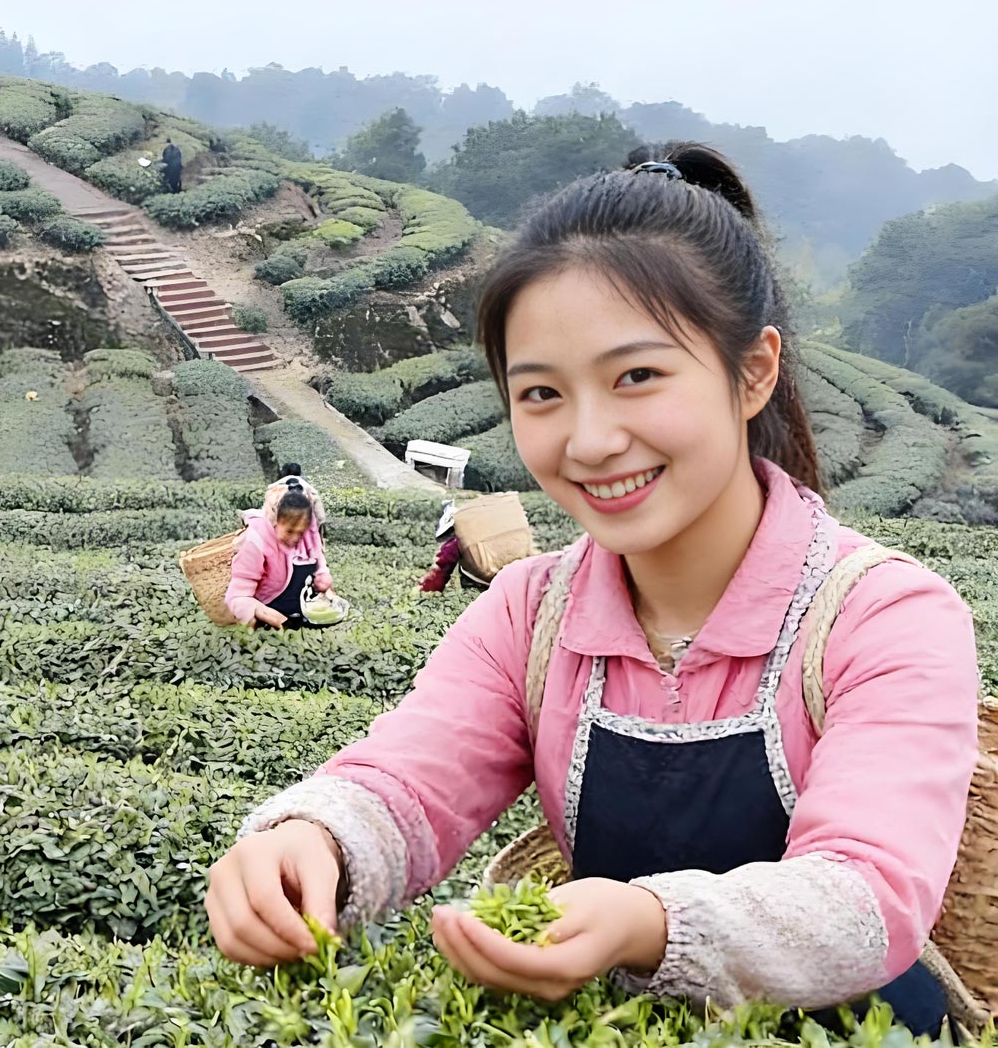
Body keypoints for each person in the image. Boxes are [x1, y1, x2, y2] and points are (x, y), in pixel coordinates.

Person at [205, 144, 979, 1035]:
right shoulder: (530, 612)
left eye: (637, 377)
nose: (591, 439)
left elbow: (865, 899)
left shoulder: (883, 615)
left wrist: (646, 923)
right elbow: (406, 782)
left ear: (752, 371)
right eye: (540, 393)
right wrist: (315, 839)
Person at [225, 463, 336, 630]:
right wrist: (276, 620)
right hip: (269, 609)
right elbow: (237, 597)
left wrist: (323, 577)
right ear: (277, 521)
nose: (295, 539)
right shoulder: (256, 541)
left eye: (301, 532)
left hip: (302, 609)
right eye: (289, 531)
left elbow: (318, 556)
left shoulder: (308, 531)